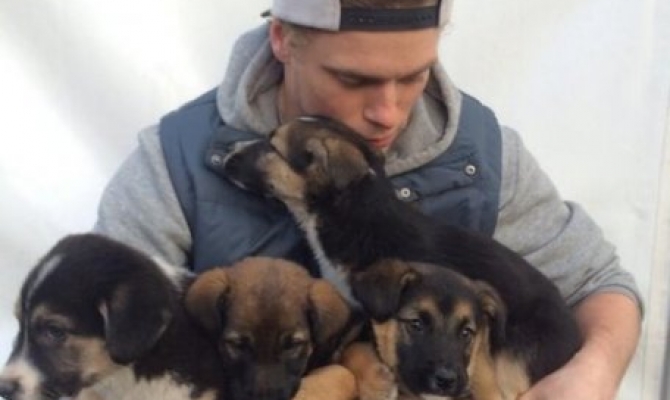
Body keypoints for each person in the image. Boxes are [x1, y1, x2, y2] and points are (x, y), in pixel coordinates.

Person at [94, 0, 643, 398]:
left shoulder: (484, 154)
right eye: (353, 79)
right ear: (282, 39)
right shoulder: (175, 163)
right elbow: (107, 335)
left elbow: (596, 282)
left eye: (414, 76)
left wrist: (592, 373)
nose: (388, 111)